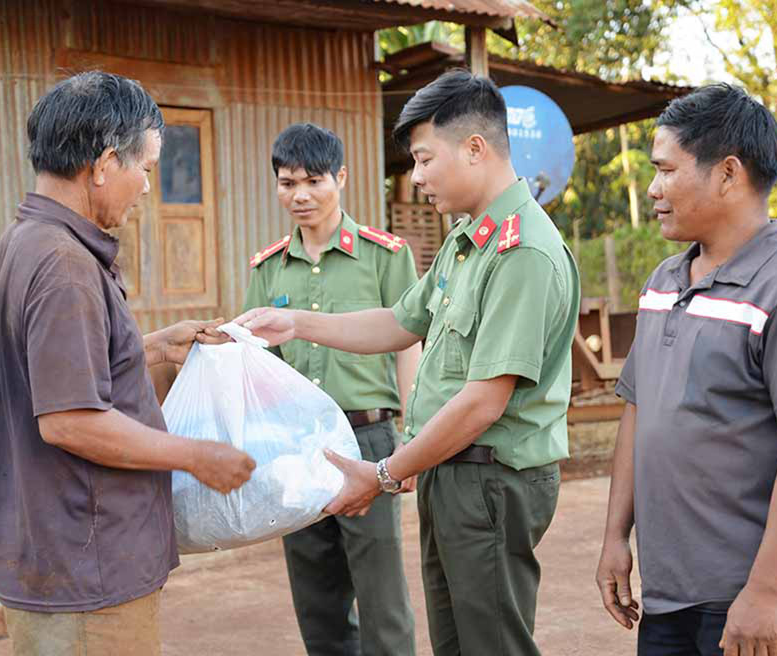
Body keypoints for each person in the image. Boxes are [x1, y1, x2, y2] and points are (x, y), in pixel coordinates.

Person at [237, 70, 581, 656]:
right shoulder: (467, 240)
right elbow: (400, 322)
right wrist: (295, 322)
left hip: (489, 478)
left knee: (491, 644)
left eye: (424, 159)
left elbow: (484, 401)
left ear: (475, 148)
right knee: (455, 643)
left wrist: (383, 472)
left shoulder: (521, 251)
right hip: (451, 470)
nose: (415, 177)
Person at [0, 71, 256, 656]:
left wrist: (153, 347)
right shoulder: (65, 266)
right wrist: (197, 456)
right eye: (146, 168)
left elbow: (56, 371)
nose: (148, 186)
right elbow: (70, 421)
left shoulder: (28, 241)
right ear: (104, 164)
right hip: (87, 569)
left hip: (58, 556)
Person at [595, 83, 777, 656]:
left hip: (752, 603)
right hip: (670, 596)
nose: (654, 189)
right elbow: (639, 412)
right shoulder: (663, 282)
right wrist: (614, 536)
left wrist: (765, 591)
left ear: (728, 173)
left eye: (666, 170)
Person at [242, 123, 418, 656]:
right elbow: (259, 362)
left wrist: (413, 434)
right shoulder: (268, 266)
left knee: (381, 592)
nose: (300, 195)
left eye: (313, 181)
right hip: (297, 446)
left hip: (368, 440)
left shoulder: (385, 255)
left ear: (340, 177)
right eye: (287, 183)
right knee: (316, 595)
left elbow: (409, 342)